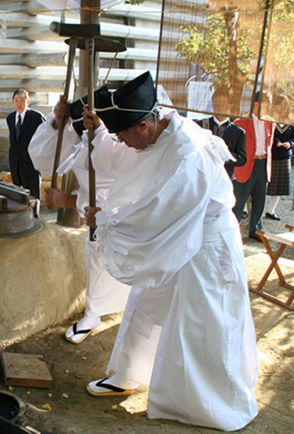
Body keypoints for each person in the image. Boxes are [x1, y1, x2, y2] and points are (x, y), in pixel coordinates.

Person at [82, 72, 258, 431]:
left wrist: (107, 220)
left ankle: (208, 404)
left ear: (144, 126)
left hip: (206, 244)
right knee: (145, 300)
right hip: (179, 233)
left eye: (122, 135)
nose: (122, 143)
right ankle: (128, 374)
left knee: (200, 320)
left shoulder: (186, 152)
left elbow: (158, 209)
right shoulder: (162, 129)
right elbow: (127, 169)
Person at [28, 94, 133, 344]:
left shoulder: (123, 142)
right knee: (96, 261)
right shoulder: (81, 136)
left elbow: (119, 191)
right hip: (94, 213)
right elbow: (42, 158)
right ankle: (94, 312)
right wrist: (57, 121)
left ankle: (130, 309)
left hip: (123, 213)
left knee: (128, 265)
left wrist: (69, 201)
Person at [233, 90, 276, 241]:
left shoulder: (270, 122)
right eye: (267, 104)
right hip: (246, 164)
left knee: (260, 199)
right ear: (256, 104)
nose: (269, 107)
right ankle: (232, 228)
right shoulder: (241, 122)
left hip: (263, 162)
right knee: (239, 198)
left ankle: (255, 229)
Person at [193, 88, 247, 180]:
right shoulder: (201, 124)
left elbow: (242, 159)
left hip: (223, 178)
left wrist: (225, 155)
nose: (219, 106)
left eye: (223, 103)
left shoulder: (238, 132)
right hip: (201, 175)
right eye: (216, 102)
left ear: (230, 105)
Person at [6, 88, 46, 202]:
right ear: (13, 101)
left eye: (22, 101)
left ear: (28, 101)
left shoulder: (36, 117)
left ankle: (34, 219)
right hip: (16, 164)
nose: (19, 104)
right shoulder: (10, 118)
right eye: (16, 101)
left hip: (31, 164)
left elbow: (45, 138)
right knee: (18, 196)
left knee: (33, 197)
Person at [264, 94, 294, 221]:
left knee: (279, 186)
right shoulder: (270, 119)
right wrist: (276, 141)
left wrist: (290, 143)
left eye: (284, 106)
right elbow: (267, 134)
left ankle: (271, 210)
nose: (282, 108)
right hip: (270, 154)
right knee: (264, 184)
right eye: (279, 106)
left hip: (284, 156)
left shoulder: (291, 120)